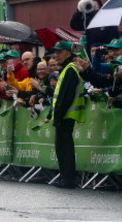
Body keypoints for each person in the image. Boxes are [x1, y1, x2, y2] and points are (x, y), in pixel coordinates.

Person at [49, 41, 85, 189]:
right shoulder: (66, 69)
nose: (56, 55)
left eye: (60, 52)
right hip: (64, 116)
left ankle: (68, 179)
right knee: (62, 148)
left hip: (65, 116)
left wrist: (57, 116)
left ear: (68, 53)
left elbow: (65, 97)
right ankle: (65, 178)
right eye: (55, 52)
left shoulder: (70, 69)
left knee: (65, 148)